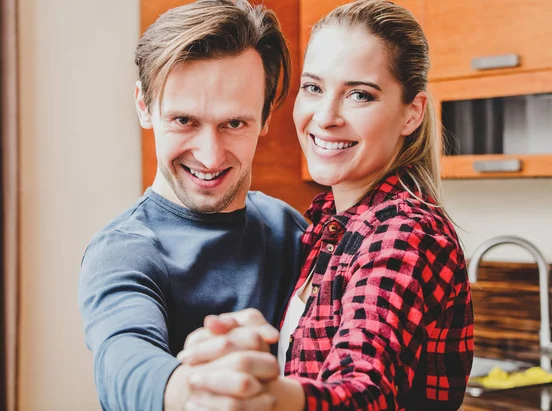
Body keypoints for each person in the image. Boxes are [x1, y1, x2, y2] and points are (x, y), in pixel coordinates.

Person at [177, 1, 475, 410]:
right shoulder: (329, 227)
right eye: (314, 88)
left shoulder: (403, 232)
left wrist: (271, 396)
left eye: (359, 94)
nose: (326, 116)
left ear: (412, 114)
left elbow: (364, 389)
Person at [77, 1, 308, 410]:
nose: (210, 155)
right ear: (144, 106)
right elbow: (123, 357)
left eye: (234, 123)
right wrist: (191, 391)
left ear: (266, 115)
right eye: (184, 121)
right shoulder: (123, 250)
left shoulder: (289, 228)